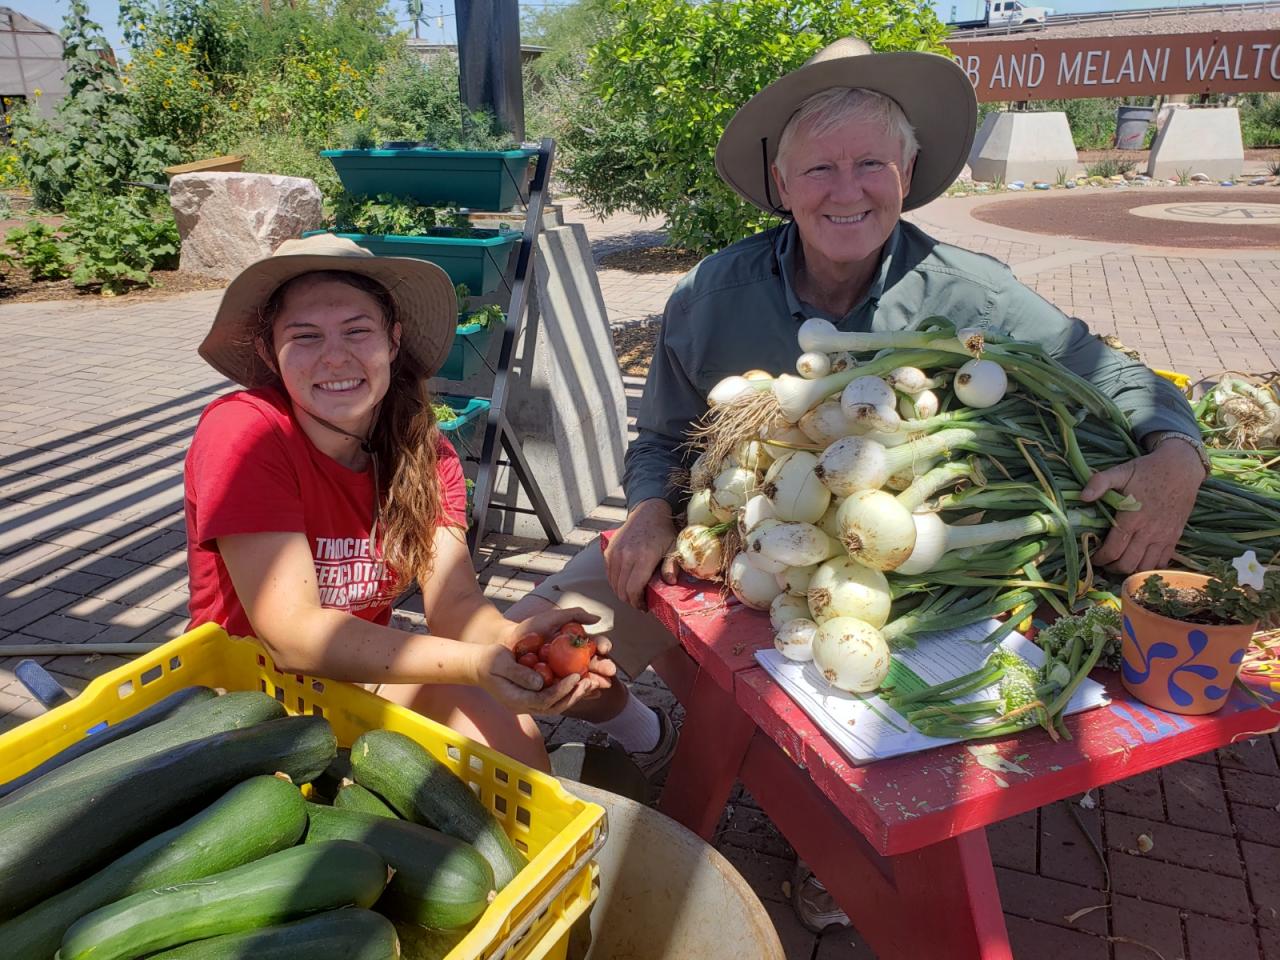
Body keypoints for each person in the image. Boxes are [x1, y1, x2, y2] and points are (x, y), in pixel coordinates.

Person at [506, 37, 1208, 796]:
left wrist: (1178, 453)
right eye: (819, 168)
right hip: (711, 542)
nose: (848, 190)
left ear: (906, 174)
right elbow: (664, 438)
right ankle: (649, 732)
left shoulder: (975, 295)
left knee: (857, 699)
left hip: (886, 570)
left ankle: (846, 855)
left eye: (871, 164)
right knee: (521, 653)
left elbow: (1111, 371)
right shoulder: (713, 294)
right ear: (782, 181)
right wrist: (647, 509)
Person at [183, 234, 615, 773]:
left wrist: (511, 640)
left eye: (357, 331)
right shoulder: (245, 432)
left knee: (513, 736)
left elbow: (454, 605)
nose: (335, 356)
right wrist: (475, 665)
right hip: (246, 700)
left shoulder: (426, 452)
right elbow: (291, 634)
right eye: (306, 336)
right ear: (271, 352)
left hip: (358, 680)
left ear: (393, 340)